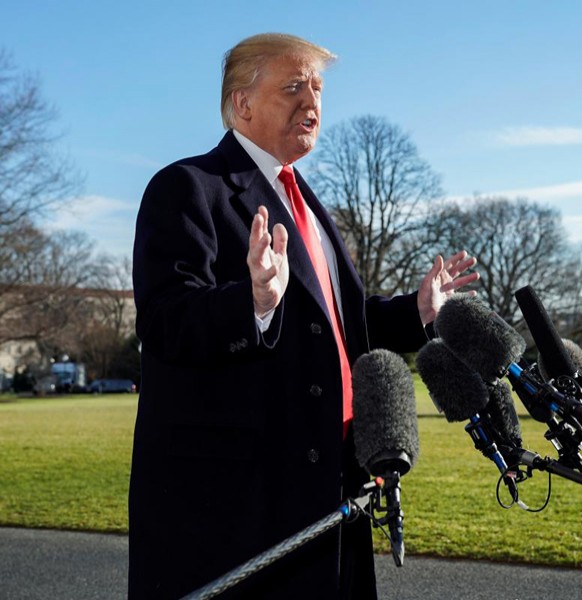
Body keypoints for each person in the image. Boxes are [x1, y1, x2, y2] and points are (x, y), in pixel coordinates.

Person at [129, 33, 478, 599]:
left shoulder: (308, 203)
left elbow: (334, 327)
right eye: (293, 86)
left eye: (317, 87)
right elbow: (167, 321)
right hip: (241, 510)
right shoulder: (188, 188)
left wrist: (414, 312)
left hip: (333, 490)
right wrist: (252, 303)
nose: (311, 101)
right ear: (242, 103)